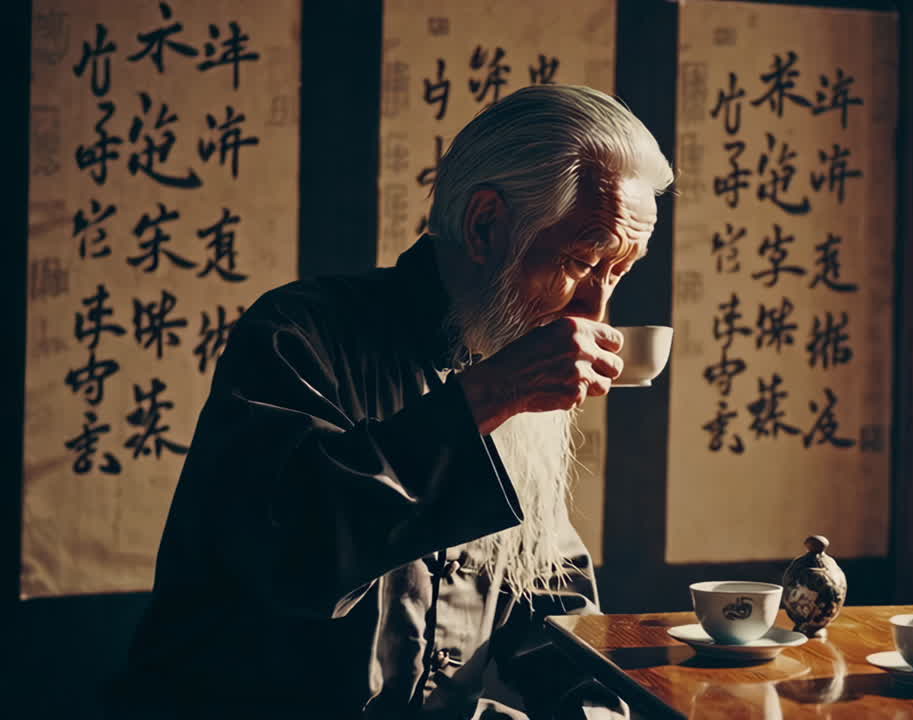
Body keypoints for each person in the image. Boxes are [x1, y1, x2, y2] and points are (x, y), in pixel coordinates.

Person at [112, 84, 673, 719]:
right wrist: (488, 396)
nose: (596, 309)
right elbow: (293, 555)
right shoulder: (300, 332)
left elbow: (547, 587)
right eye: (580, 260)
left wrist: (594, 706)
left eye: (617, 271)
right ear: (485, 225)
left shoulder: (507, 354)